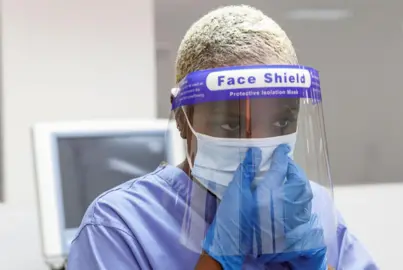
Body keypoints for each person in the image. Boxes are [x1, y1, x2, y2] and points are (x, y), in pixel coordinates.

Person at [67, 5, 378, 270]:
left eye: (282, 120)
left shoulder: (312, 209)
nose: (259, 143)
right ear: (182, 120)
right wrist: (218, 259)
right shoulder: (119, 227)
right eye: (231, 125)